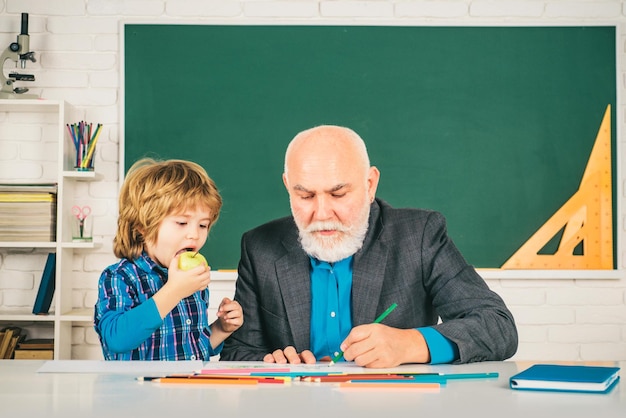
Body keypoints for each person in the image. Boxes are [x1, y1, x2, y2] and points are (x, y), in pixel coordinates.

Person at [220, 125, 517, 368]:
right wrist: (272, 362)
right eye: (306, 196)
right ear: (288, 186)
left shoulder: (420, 235)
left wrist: (411, 344)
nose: (322, 214)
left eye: (338, 194)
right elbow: (238, 353)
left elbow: (498, 327)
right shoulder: (259, 246)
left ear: (370, 184)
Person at [94, 158, 243, 360]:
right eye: (182, 222)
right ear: (143, 227)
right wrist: (174, 291)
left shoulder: (192, 279)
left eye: (203, 225)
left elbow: (195, 350)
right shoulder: (120, 277)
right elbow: (117, 339)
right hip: (138, 390)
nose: (194, 235)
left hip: (189, 388)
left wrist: (222, 328)